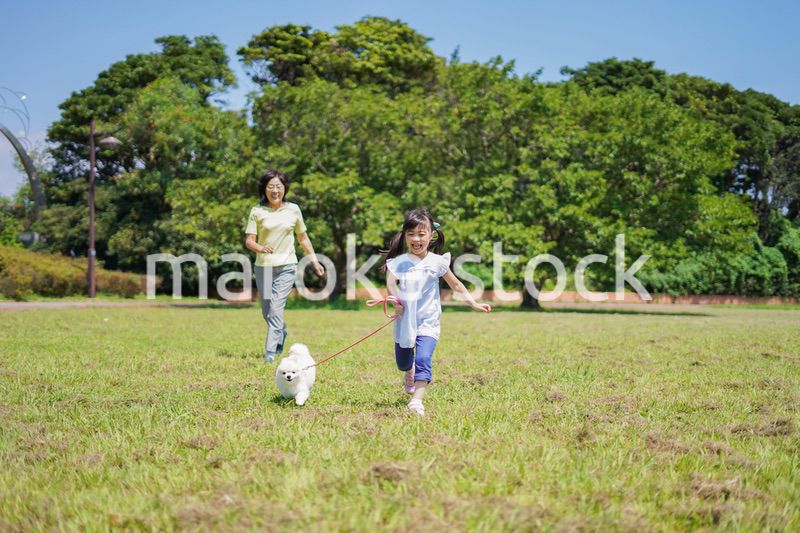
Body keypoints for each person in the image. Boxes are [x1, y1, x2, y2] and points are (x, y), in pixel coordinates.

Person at [383, 208, 491, 416]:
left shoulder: (437, 262)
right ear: (405, 236)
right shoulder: (399, 263)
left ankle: (416, 402)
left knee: (423, 358)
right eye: (411, 234)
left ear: (431, 235)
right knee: (403, 362)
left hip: (428, 321)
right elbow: (390, 284)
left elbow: (456, 284)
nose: (416, 239)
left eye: (421, 234)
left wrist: (473, 303)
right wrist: (395, 300)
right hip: (405, 321)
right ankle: (409, 371)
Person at [245, 169, 324, 362]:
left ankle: (270, 353)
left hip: (287, 266)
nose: (274, 191)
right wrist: (261, 248)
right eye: (270, 187)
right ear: (264, 189)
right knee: (267, 311)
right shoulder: (257, 211)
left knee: (275, 309)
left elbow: (303, 238)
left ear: (284, 189)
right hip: (263, 266)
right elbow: (249, 241)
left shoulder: (294, 210)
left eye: (278, 187)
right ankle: (281, 333)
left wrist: (314, 261)